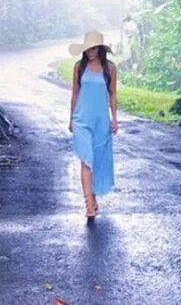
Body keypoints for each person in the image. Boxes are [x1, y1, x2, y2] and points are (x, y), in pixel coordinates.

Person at [68, 30, 118, 223]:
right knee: (86, 160)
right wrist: (71, 118)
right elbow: (75, 93)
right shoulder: (79, 67)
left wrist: (114, 119)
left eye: (94, 49)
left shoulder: (110, 68)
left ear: (100, 49)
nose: (90, 52)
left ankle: (93, 195)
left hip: (101, 122)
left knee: (98, 161)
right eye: (88, 49)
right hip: (82, 119)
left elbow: (113, 95)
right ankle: (89, 204)